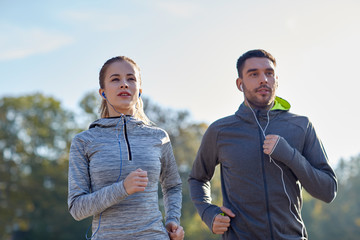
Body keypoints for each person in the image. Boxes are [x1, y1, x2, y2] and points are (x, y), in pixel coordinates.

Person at [188, 49, 337, 239]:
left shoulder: (301, 126)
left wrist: (290, 155)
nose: (263, 79)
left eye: (269, 73)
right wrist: (208, 213)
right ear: (240, 84)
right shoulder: (220, 131)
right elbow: (197, 179)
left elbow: (328, 191)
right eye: (253, 74)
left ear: (277, 80)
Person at [68, 56, 184, 240]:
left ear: (139, 90)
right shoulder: (84, 141)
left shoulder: (159, 137)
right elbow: (77, 208)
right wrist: (122, 188)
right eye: (115, 79)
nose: (124, 84)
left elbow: (173, 186)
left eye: (131, 79)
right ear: (103, 92)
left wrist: (173, 219)